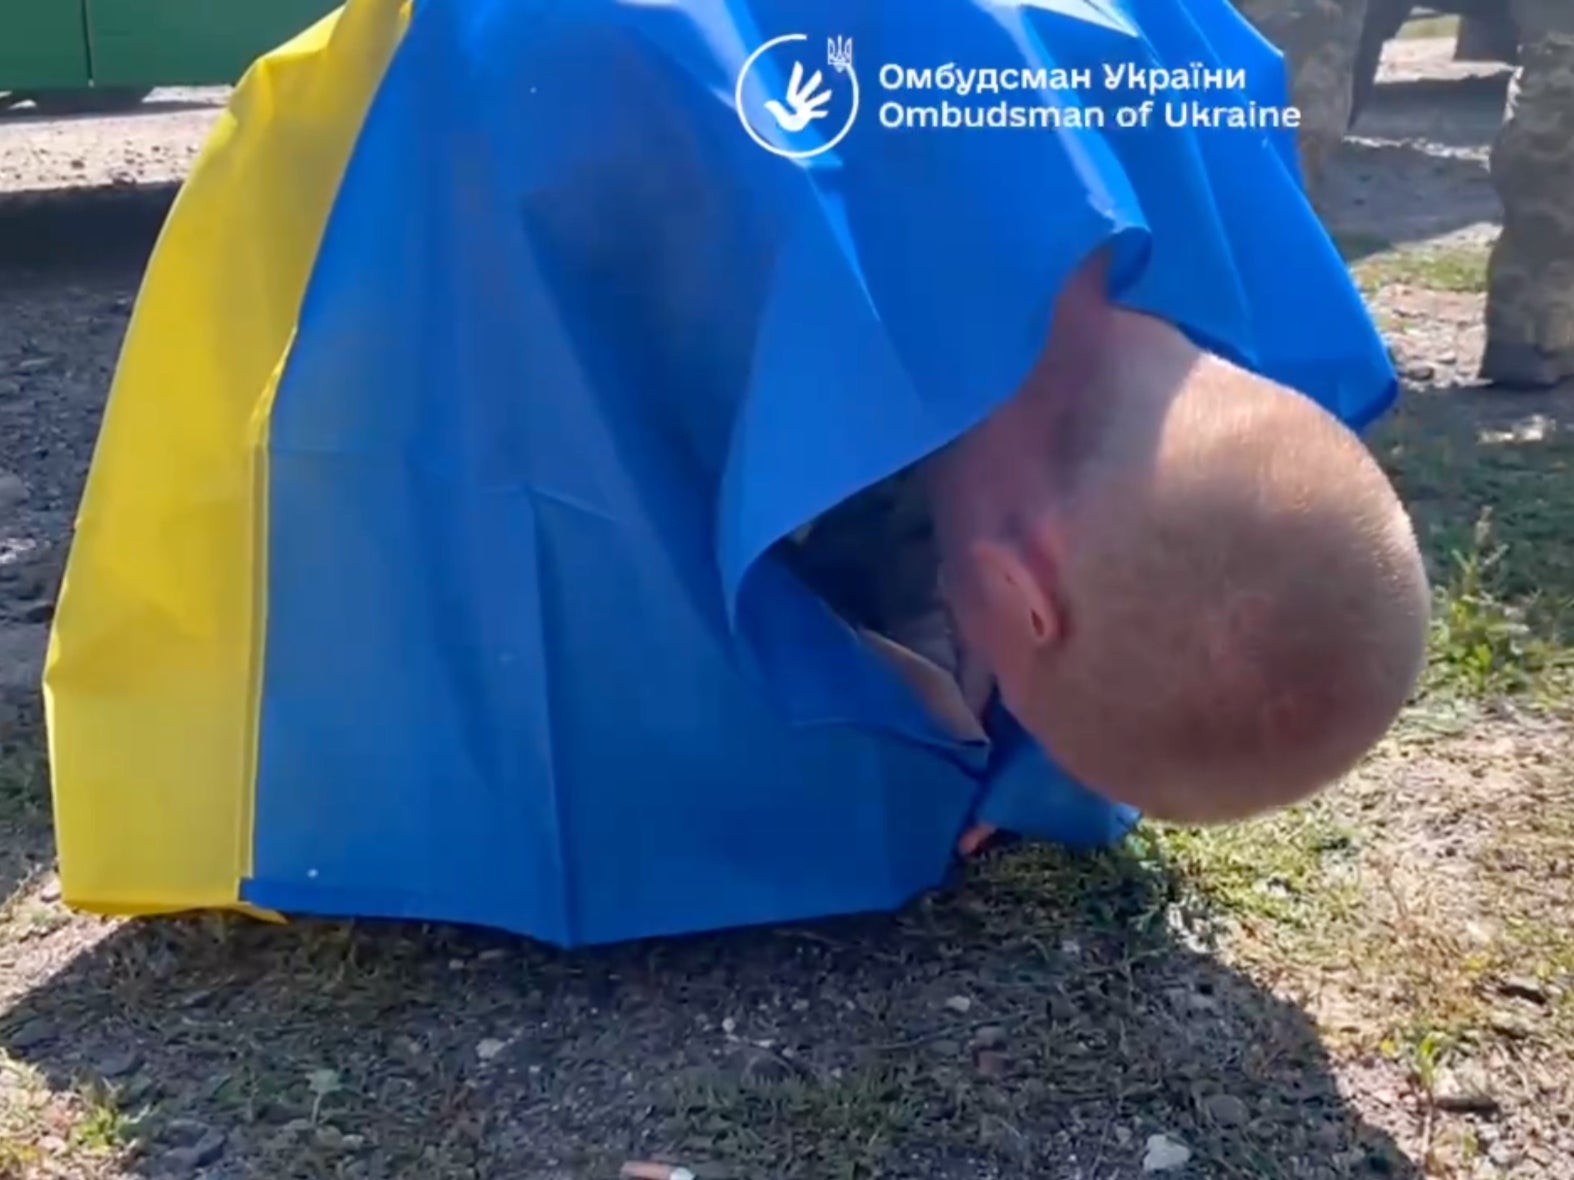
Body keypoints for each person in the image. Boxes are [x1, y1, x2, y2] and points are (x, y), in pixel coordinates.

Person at [776, 246, 1431, 852]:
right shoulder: (804, 313)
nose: (996, 683)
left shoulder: (1192, 214)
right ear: (1021, 592)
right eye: (1010, 684)